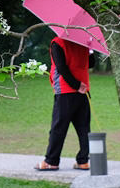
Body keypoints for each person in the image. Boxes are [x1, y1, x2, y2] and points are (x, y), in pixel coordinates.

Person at [34, 36, 91, 171]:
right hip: (83, 91)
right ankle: (83, 161)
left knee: (58, 127)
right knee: (83, 128)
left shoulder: (57, 42)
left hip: (66, 91)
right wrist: (90, 50)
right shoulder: (83, 42)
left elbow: (61, 68)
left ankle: (51, 161)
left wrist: (75, 85)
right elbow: (91, 63)